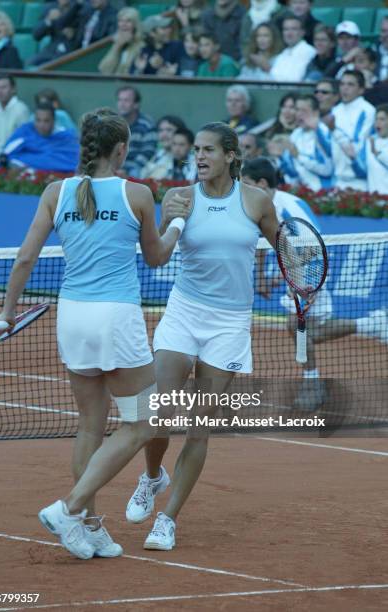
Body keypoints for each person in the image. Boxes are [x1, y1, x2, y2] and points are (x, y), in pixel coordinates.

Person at [0, 108, 187, 560]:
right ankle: (72, 509)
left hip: (73, 319)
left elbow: (24, 258)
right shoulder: (137, 193)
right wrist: (177, 223)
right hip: (116, 321)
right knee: (142, 422)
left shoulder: (54, 192)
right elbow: (157, 258)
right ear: (120, 150)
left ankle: (92, 528)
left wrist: (6, 312)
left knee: (90, 426)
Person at [125, 122, 281, 551]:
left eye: (209, 149)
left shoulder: (257, 202)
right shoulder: (180, 198)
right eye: (197, 149)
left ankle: (168, 519)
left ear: (231, 155)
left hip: (229, 325)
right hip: (184, 313)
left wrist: (298, 271)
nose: (200, 156)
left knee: (199, 427)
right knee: (159, 411)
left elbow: (283, 247)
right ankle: (152, 476)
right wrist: (171, 221)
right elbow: (159, 254)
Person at [240, 156, 388, 410]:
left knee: (297, 327)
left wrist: (306, 285)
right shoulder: (258, 203)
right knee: (306, 331)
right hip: (295, 270)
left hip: (313, 267)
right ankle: (371, 324)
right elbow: (263, 243)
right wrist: (265, 278)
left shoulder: (290, 208)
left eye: (246, 182)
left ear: (262, 183)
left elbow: (314, 250)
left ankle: (313, 384)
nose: (241, 187)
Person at [330, 70, 376, 191]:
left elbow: (358, 146)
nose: (345, 88)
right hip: (336, 179)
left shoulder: (367, 110)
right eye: (342, 84)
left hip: (359, 180)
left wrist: (335, 131)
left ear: (361, 89)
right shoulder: (335, 110)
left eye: (350, 84)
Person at [2, 103, 79, 173]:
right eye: (38, 120)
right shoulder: (26, 131)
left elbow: (74, 162)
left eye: (46, 121)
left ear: (53, 120)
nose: (41, 125)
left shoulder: (67, 137)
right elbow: (6, 154)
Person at [279, 94, 333, 190]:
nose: (298, 114)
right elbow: (293, 173)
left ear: (315, 113)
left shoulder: (324, 133)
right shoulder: (296, 133)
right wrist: (281, 158)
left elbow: (327, 169)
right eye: (297, 109)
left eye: (303, 110)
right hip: (299, 191)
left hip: (321, 192)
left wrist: (299, 157)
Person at [0, 74, 30, 165]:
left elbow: (22, 142)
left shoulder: (21, 109)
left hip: (13, 158)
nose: (0, 91)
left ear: (13, 89)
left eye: (4, 87)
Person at [116, 86, 157, 178]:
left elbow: (148, 152)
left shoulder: (147, 124)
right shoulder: (113, 123)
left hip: (137, 168)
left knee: (136, 172)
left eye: (126, 100)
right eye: (120, 100)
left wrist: (126, 172)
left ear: (136, 104)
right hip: (115, 167)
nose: (122, 104)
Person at [28, 0, 80, 67]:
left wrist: (75, 33)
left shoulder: (79, 7)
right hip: (50, 50)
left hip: (70, 52)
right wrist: (48, 20)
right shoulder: (51, 8)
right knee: (30, 63)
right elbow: (36, 35)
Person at [352, 104, 388, 195]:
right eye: (376, 119)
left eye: (382, 119)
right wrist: (353, 159)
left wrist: (378, 155)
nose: (377, 122)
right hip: (374, 198)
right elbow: (362, 170)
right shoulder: (369, 141)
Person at [98, 7, 144, 76]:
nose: (123, 24)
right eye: (120, 21)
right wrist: (117, 47)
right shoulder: (117, 43)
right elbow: (104, 70)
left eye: (128, 21)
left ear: (135, 25)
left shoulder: (141, 46)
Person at [270, 16, 316, 82]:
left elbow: (295, 79)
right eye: (286, 29)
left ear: (302, 32)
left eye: (294, 29)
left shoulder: (308, 51)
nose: (289, 33)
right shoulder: (283, 53)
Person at [140, 115, 186, 179]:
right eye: (161, 130)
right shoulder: (157, 155)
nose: (164, 135)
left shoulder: (186, 159)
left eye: (169, 130)